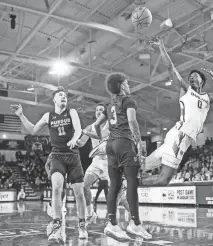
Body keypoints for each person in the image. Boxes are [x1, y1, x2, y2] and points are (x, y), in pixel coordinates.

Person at [140, 37, 213, 186]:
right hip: (180, 135)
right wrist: (162, 47)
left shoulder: (208, 97)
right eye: (190, 77)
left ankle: (126, 178)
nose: (192, 78)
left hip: (179, 137)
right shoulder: (186, 90)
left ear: (202, 81)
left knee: (143, 166)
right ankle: (127, 182)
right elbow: (170, 67)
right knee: (163, 180)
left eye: (195, 77)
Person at [11, 86, 87, 242]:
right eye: (60, 95)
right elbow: (32, 130)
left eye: (65, 95)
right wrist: (21, 116)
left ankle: (82, 225)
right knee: (57, 189)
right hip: (57, 156)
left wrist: (75, 138)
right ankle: (56, 227)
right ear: (54, 100)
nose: (63, 97)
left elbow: (78, 129)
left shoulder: (71, 112)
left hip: (73, 156)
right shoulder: (48, 116)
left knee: (79, 194)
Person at [85, 73, 152, 240]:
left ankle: (112, 224)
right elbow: (132, 121)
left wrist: (102, 139)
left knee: (114, 185)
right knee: (131, 182)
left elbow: (96, 125)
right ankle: (135, 223)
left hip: (110, 146)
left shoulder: (109, 105)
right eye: (127, 83)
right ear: (122, 85)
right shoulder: (128, 101)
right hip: (125, 143)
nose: (129, 86)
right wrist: (138, 143)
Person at [76, 103, 110, 222]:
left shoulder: (110, 125)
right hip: (96, 161)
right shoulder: (90, 127)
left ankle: (134, 219)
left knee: (118, 195)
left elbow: (100, 136)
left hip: (110, 162)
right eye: (96, 110)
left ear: (105, 113)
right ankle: (90, 213)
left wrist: (85, 132)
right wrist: (73, 140)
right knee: (84, 186)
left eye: (101, 110)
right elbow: (81, 143)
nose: (98, 111)